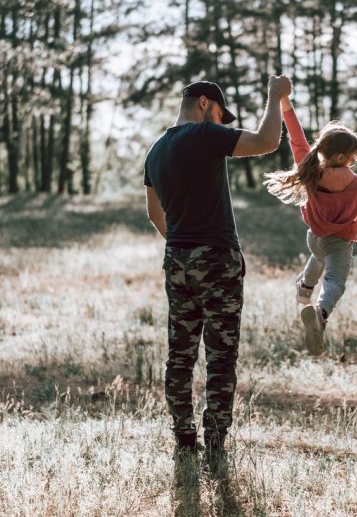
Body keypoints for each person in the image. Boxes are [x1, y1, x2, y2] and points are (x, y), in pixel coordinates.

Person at [144, 76, 292, 463]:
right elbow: (267, 141)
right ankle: (215, 443)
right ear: (205, 103)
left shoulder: (155, 151)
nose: (223, 124)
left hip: (177, 258)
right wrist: (275, 96)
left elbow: (153, 213)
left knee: (180, 353)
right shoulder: (205, 135)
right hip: (216, 258)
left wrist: (182, 244)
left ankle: (184, 437)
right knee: (221, 356)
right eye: (220, 115)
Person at [263, 94, 357, 355]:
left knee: (318, 257)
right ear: (342, 157)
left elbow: (296, 137)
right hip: (339, 243)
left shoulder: (310, 172)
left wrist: (285, 103)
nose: (353, 162)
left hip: (314, 239)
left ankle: (304, 287)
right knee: (334, 281)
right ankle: (320, 312)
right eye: (352, 158)